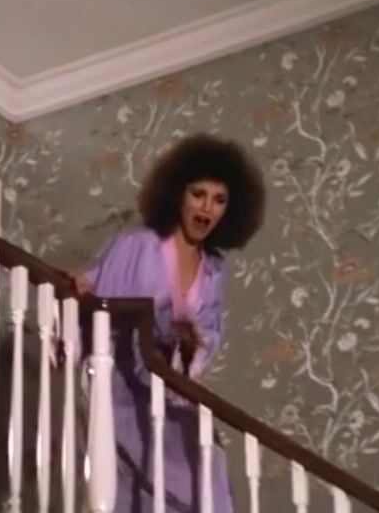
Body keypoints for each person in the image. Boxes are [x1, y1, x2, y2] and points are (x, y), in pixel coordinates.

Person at [72, 132, 265, 513]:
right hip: (122, 382)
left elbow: (207, 335)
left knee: (206, 466)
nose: (207, 207)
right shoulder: (137, 243)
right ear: (178, 194)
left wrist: (189, 345)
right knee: (135, 477)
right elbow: (103, 314)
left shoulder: (213, 269)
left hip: (171, 390)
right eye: (198, 194)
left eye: (219, 199)